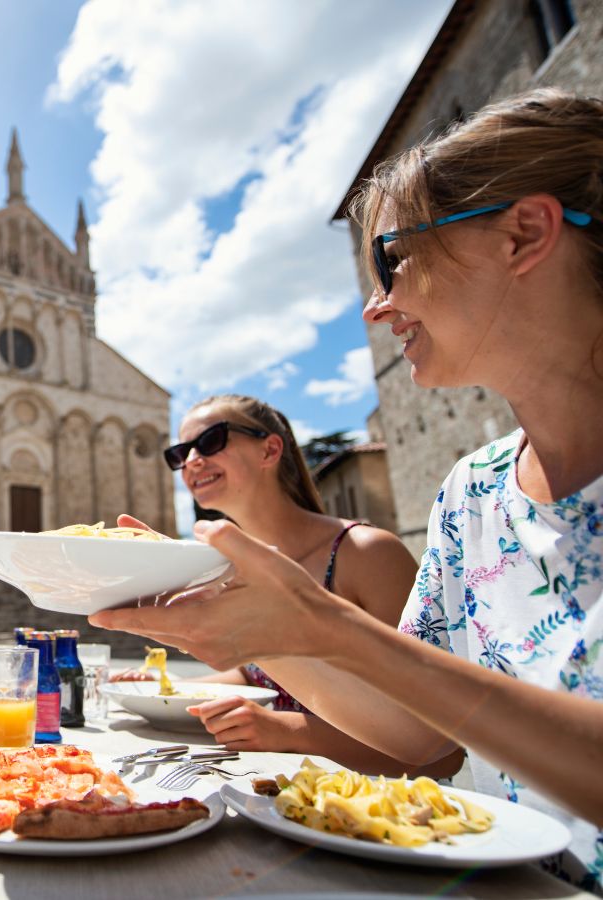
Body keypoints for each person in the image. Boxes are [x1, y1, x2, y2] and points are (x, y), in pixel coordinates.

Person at [91, 88, 603, 890]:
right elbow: (416, 727)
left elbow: (438, 751)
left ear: (525, 233)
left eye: (392, 259)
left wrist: (321, 626)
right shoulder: (474, 493)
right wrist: (262, 633)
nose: (374, 303)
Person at [160, 395, 462, 776]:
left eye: (209, 442)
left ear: (269, 449)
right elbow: (256, 675)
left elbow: (443, 752)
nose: (191, 461)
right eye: (180, 452)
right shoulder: (232, 568)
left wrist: (288, 730)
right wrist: (160, 686)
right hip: (282, 801)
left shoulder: (367, 554)